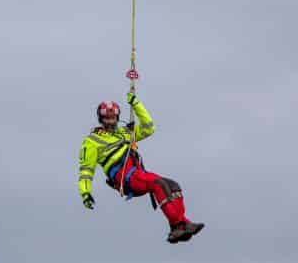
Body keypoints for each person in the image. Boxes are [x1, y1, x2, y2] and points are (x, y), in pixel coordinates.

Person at [77, 92, 205, 243]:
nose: (110, 121)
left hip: (137, 172)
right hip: (123, 175)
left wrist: (135, 104)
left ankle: (182, 224)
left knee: (173, 186)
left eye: (113, 117)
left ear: (117, 117)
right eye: (107, 117)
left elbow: (149, 127)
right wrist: (85, 192)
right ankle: (177, 225)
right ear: (101, 119)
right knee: (158, 184)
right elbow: (86, 169)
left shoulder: (125, 133)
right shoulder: (92, 141)